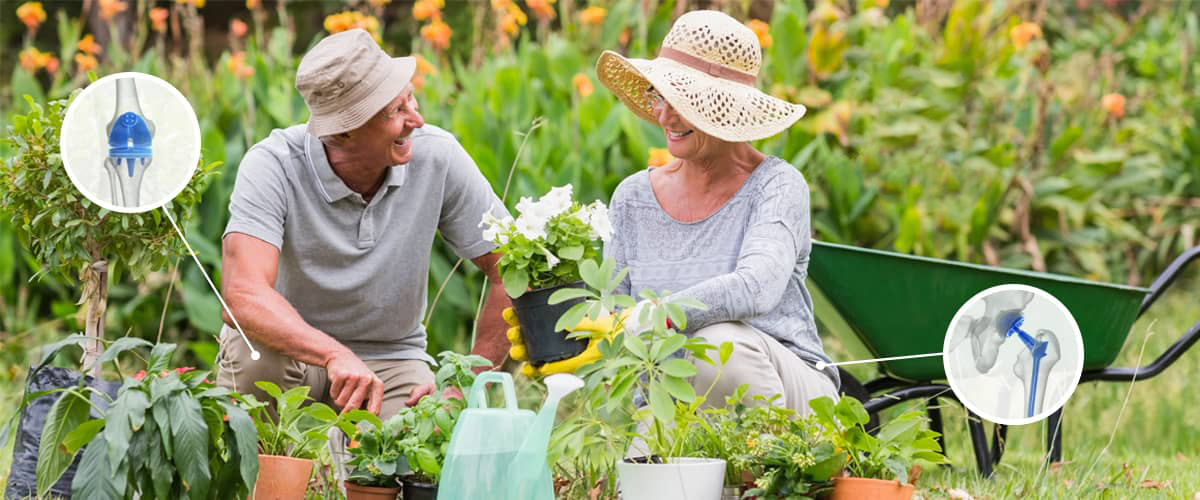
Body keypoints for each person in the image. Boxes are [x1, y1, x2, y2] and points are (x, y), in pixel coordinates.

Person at [215, 29, 511, 418]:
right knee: (252, 359)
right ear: (344, 131)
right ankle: (265, 472)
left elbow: (510, 267)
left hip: (392, 359)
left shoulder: (438, 157)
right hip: (290, 354)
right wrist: (333, 354)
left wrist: (464, 384)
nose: (417, 120)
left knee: (420, 449)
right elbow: (243, 294)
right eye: (396, 112)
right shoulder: (273, 164)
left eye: (411, 99)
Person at [594, 10, 839, 414]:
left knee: (717, 346)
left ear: (724, 105)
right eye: (660, 95)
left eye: (682, 101)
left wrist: (657, 315)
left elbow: (754, 287)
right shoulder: (632, 198)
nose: (665, 116)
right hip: (673, 401)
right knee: (643, 465)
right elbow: (615, 318)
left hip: (791, 393)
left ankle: (771, 473)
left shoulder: (777, 186)